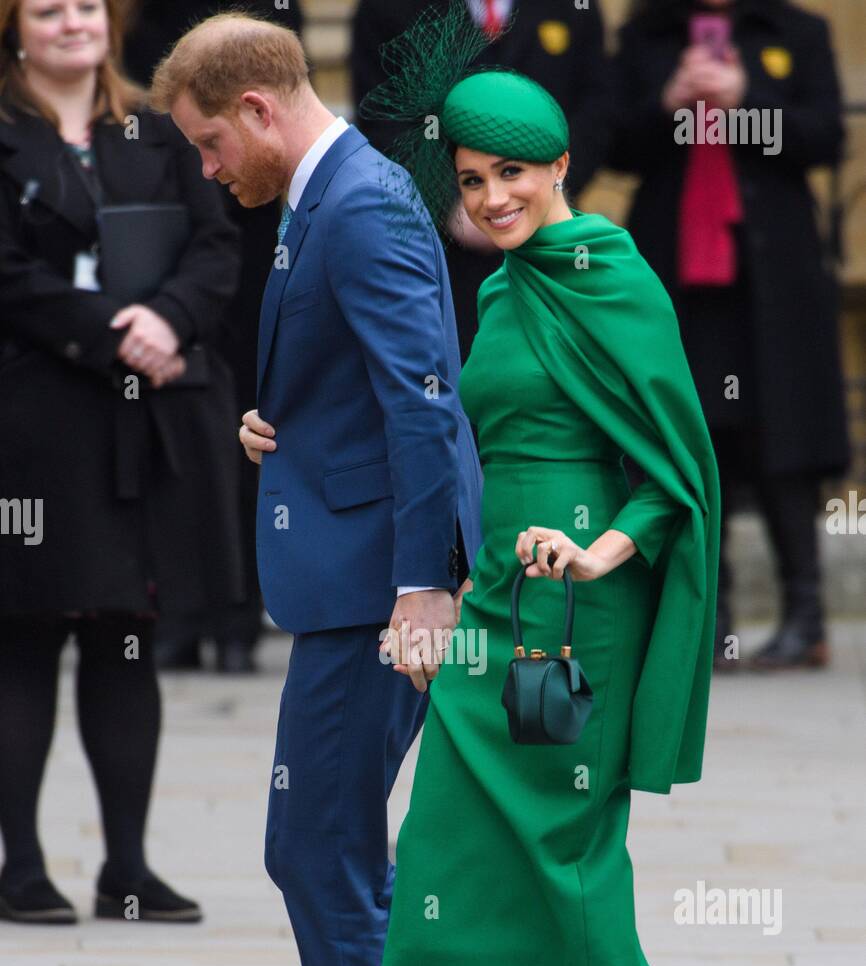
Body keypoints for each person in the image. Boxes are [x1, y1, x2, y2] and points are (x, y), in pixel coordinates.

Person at [149, 11, 600, 966]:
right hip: (348, 572)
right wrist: (279, 431)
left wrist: (422, 586)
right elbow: (368, 385)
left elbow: (425, 400)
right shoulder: (330, 192)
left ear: (254, 109)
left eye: (204, 144)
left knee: (317, 851)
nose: (206, 170)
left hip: (375, 598)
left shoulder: (355, 204)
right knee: (337, 849)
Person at [315, 13, 719, 966]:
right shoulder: (497, 287)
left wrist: (599, 545)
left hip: (580, 613)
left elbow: (676, 467)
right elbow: (447, 434)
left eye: (510, 175)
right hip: (493, 605)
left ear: (555, 168)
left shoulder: (605, 265)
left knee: (571, 864)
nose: (489, 197)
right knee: (435, 847)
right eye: (472, 178)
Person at [0, 0, 244, 925]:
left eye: (88, 7)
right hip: (34, 416)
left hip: (147, 420)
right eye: (49, 9)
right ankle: (19, 865)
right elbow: (8, 274)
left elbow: (217, 242)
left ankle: (128, 869)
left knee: (123, 629)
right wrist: (110, 335)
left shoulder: (155, 124)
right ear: (14, 27)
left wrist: (169, 318)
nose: (73, 23)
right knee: (24, 630)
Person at [608, 0, 849, 671]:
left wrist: (748, 103)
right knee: (692, 439)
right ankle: (706, 622)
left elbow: (824, 137)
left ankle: (806, 619)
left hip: (770, 275)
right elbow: (613, 145)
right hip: (679, 274)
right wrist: (669, 102)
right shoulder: (646, 34)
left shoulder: (798, 32)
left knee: (784, 438)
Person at [123, 0, 308, 674]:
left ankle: (238, 611)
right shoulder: (148, 24)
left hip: (257, 241)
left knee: (259, 421)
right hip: (172, 248)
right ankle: (182, 610)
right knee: (186, 438)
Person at [352, 0, 611, 359]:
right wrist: (449, 202)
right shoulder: (388, 9)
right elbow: (380, 114)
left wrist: (544, 192)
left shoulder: (572, 7)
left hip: (549, 246)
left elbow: (597, 106)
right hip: (436, 251)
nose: (496, 198)